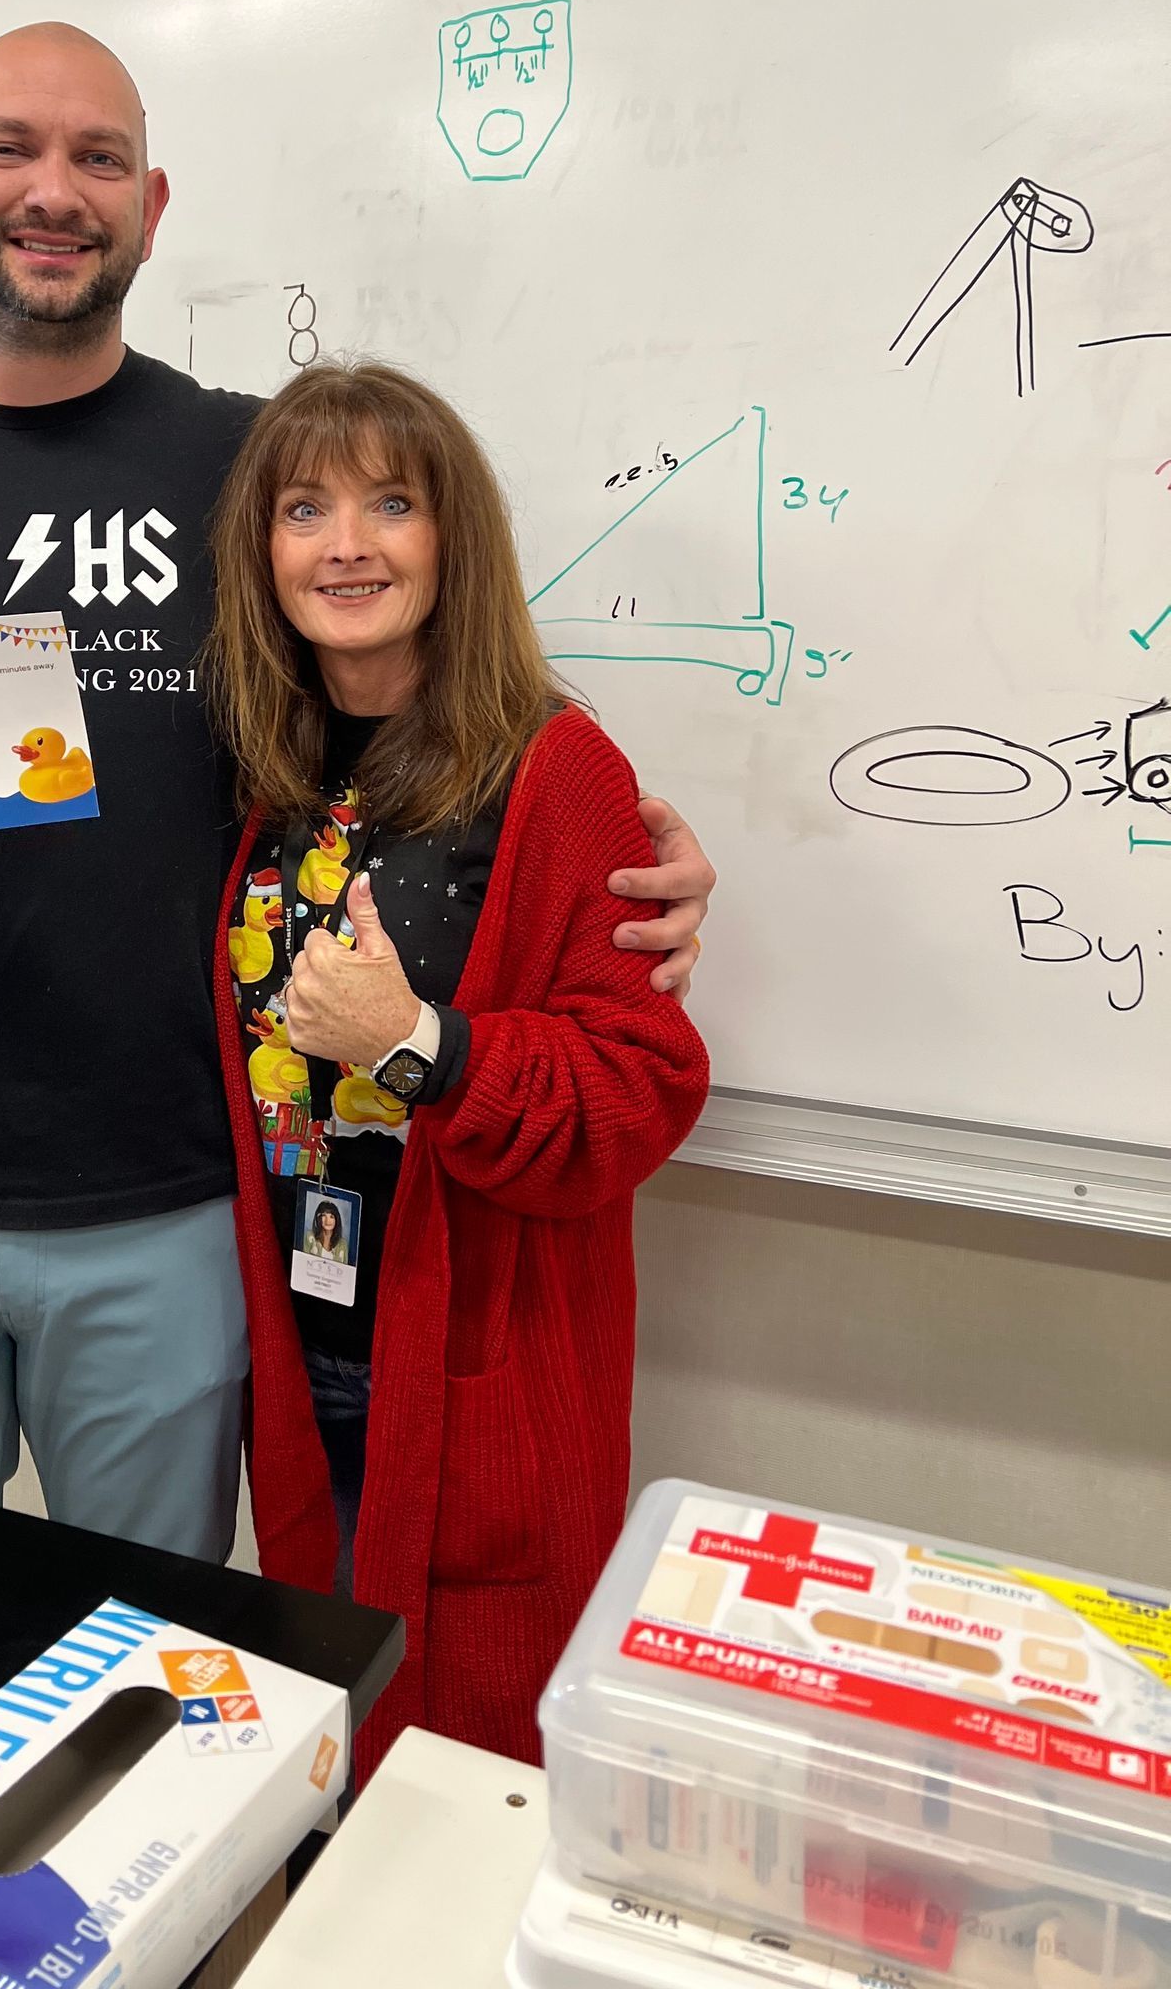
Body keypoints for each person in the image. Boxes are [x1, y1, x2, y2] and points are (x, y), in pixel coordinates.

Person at [0, 22, 716, 1565]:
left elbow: (420, 748)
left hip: (177, 1203)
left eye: (97, 158)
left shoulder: (253, 471)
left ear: (151, 204)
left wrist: (616, 848)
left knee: (152, 1675)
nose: (54, 192)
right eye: (12, 149)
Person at [205, 357, 709, 1771]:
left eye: (391, 503)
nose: (346, 542)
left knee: (467, 1788)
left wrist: (418, 1045)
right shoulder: (268, 768)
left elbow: (634, 1090)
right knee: (331, 1757)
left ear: (452, 539)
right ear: (263, 551)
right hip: (301, 1364)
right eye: (303, 507)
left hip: (473, 1378)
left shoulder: (557, 769)